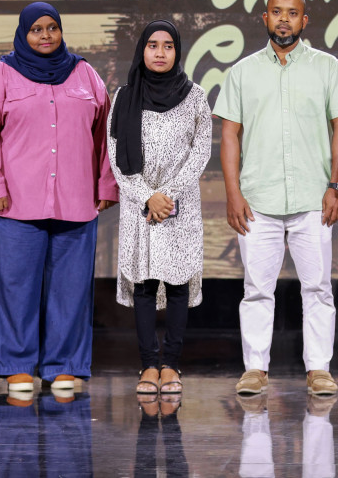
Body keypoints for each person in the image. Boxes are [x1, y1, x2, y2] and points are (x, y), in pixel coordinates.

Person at [213, 0, 338, 396]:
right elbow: (229, 136)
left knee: (318, 289)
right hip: (257, 201)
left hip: (314, 198)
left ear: (304, 20)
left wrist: (336, 186)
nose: (283, 19)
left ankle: (319, 369)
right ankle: (255, 369)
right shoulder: (242, 72)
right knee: (257, 290)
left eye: (292, 13)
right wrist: (233, 193)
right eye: (276, 11)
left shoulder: (327, 67)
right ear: (265, 17)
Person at [0, 1, 118, 392]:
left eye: (52, 27)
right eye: (36, 29)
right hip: (14, 203)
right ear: (23, 33)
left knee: (70, 289)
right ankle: (15, 364)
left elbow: (106, 133)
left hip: (76, 200)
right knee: (14, 288)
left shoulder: (85, 74)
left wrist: (106, 184)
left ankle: (63, 364)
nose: (46, 35)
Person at [107, 20, 212, 395]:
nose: (160, 53)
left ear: (177, 51)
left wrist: (167, 195)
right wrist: (146, 196)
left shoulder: (195, 96)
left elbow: (201, 152)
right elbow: (116, 156)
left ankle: (171, 366)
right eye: (153, 45)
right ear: (143, 50)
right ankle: (149, 366)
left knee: (179, 284)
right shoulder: (124, 96)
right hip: (140, 206)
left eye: (168, 46)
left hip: (179, 207)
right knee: (145, 285)